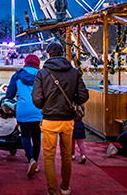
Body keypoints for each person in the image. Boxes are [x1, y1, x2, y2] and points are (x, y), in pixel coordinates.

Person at [32, 42, 89, 195]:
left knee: (49, 157)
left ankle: (52, 190)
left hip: (50, 119)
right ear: (63, 54)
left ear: (48, 54)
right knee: (66, 155)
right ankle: (64, 187)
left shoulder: (42, 73)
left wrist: (46, 105)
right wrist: (72, 102)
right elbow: (84, 95)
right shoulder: (74, 72)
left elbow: (37, 99)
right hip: (68, 120)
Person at [5, 54, 43, 177]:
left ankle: (30, 159)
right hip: (38, 109)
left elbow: (9, 94)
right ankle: (36, 161)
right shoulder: (42, 74)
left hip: (23, 109)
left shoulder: (17, 74)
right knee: (37, 137)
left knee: (25, 136)